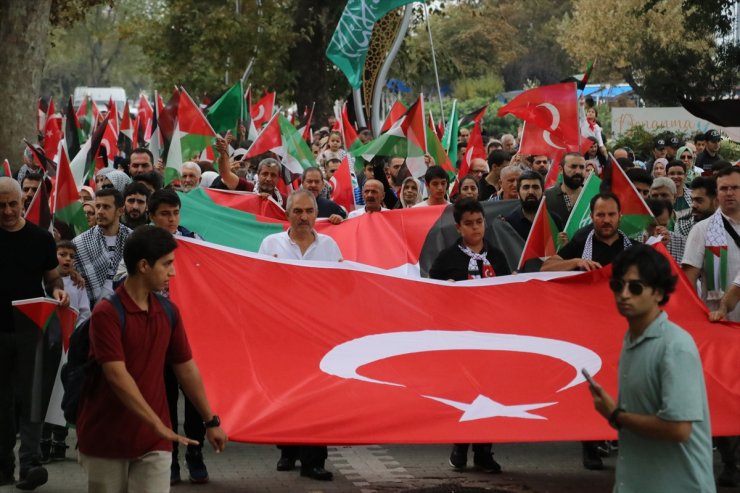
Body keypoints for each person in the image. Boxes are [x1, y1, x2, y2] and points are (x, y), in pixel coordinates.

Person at [76, 226, 227, 492]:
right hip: (107, 439)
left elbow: (186, 369)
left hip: (155, 443)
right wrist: (157, 424)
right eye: (167, 264)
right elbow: (116, 376)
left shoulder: (168, 311)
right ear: (144, 265)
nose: (173, 272)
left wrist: (210, 421)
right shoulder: (106, 313)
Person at [588, 244, 715, 492]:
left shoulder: (675, 346)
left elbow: (678, 428)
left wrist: (616, 415)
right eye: (618, 285)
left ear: (658, 293)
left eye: (635, 287)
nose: (624, 294)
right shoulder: (630, 339)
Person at [258, 191, 341, 481]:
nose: (304, 217)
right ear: (287, 214)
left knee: (318, 397)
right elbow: (258, 284)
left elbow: (339, 288)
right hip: (283, 334)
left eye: (309, 211)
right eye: (298, 211)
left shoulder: (329, 246)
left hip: (319, 335)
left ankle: (315, 460)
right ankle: (287, 449)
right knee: (287, 395)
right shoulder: (271, 244)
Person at [429, 198, 509, 473]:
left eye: (479, 222)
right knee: (465, 394)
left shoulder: (497, 257)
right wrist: (446, 290)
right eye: (469, 224)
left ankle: (484, 451)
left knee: (490, 393)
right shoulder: (447, 258)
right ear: (458, 227)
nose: (476, 228)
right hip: (461, 338)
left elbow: (510, 293)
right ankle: (460, 445)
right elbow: (430, 294)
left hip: (492, 337)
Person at [0, 177, 69, 490]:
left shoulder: (41, 239)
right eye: (1, 205)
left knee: (31, 399)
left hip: (31, 331)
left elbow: (54, 279)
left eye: (13, 203)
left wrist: (58, 293)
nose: (8, 210)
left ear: (22, 202)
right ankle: (3, 467)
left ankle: (30, 465)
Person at [681, 166, 740, 487]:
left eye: (734, 188)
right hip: (719, 325)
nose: (729, 194)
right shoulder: (704, 230)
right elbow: (688, 279)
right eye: (724, 188)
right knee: (725, 397)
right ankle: (731, 460)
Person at [40, 240, 91, 465]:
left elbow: (84, 313)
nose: (67, 259)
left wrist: (77, 336)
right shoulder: (44, 283)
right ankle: (43, 440)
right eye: (62, 254)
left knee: (63, 392)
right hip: (47, 344)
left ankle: (59, 440)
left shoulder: (79, 285)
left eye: (71, 255)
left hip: (69, 346)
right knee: (45, 391)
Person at [542, 192, 632, 274]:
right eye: (600, 215)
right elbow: (546, 267)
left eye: (611, 214)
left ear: (619, 216)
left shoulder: (634, 248)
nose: (606, 220)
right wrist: (576, 262)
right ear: (591, 216)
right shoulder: (580, 244)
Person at [73, 188, 132, 306]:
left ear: (120, 211)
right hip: (90, 310)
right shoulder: (80, 243)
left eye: (106, 207)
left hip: (126, 307)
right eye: (98, 206)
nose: (99, 211)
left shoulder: (133, 240)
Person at [504, 171, 563, 242]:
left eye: (535, 187)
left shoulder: (554, 220)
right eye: (526, 187)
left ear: (543, 192)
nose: (531, 192)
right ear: (518, 193)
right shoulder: (509, 223)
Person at [544, 153, 586, 223]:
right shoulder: (547, 196)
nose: (578, 171)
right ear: (561, 169)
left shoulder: (591, 195)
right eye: (573, 167)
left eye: (582, 167)